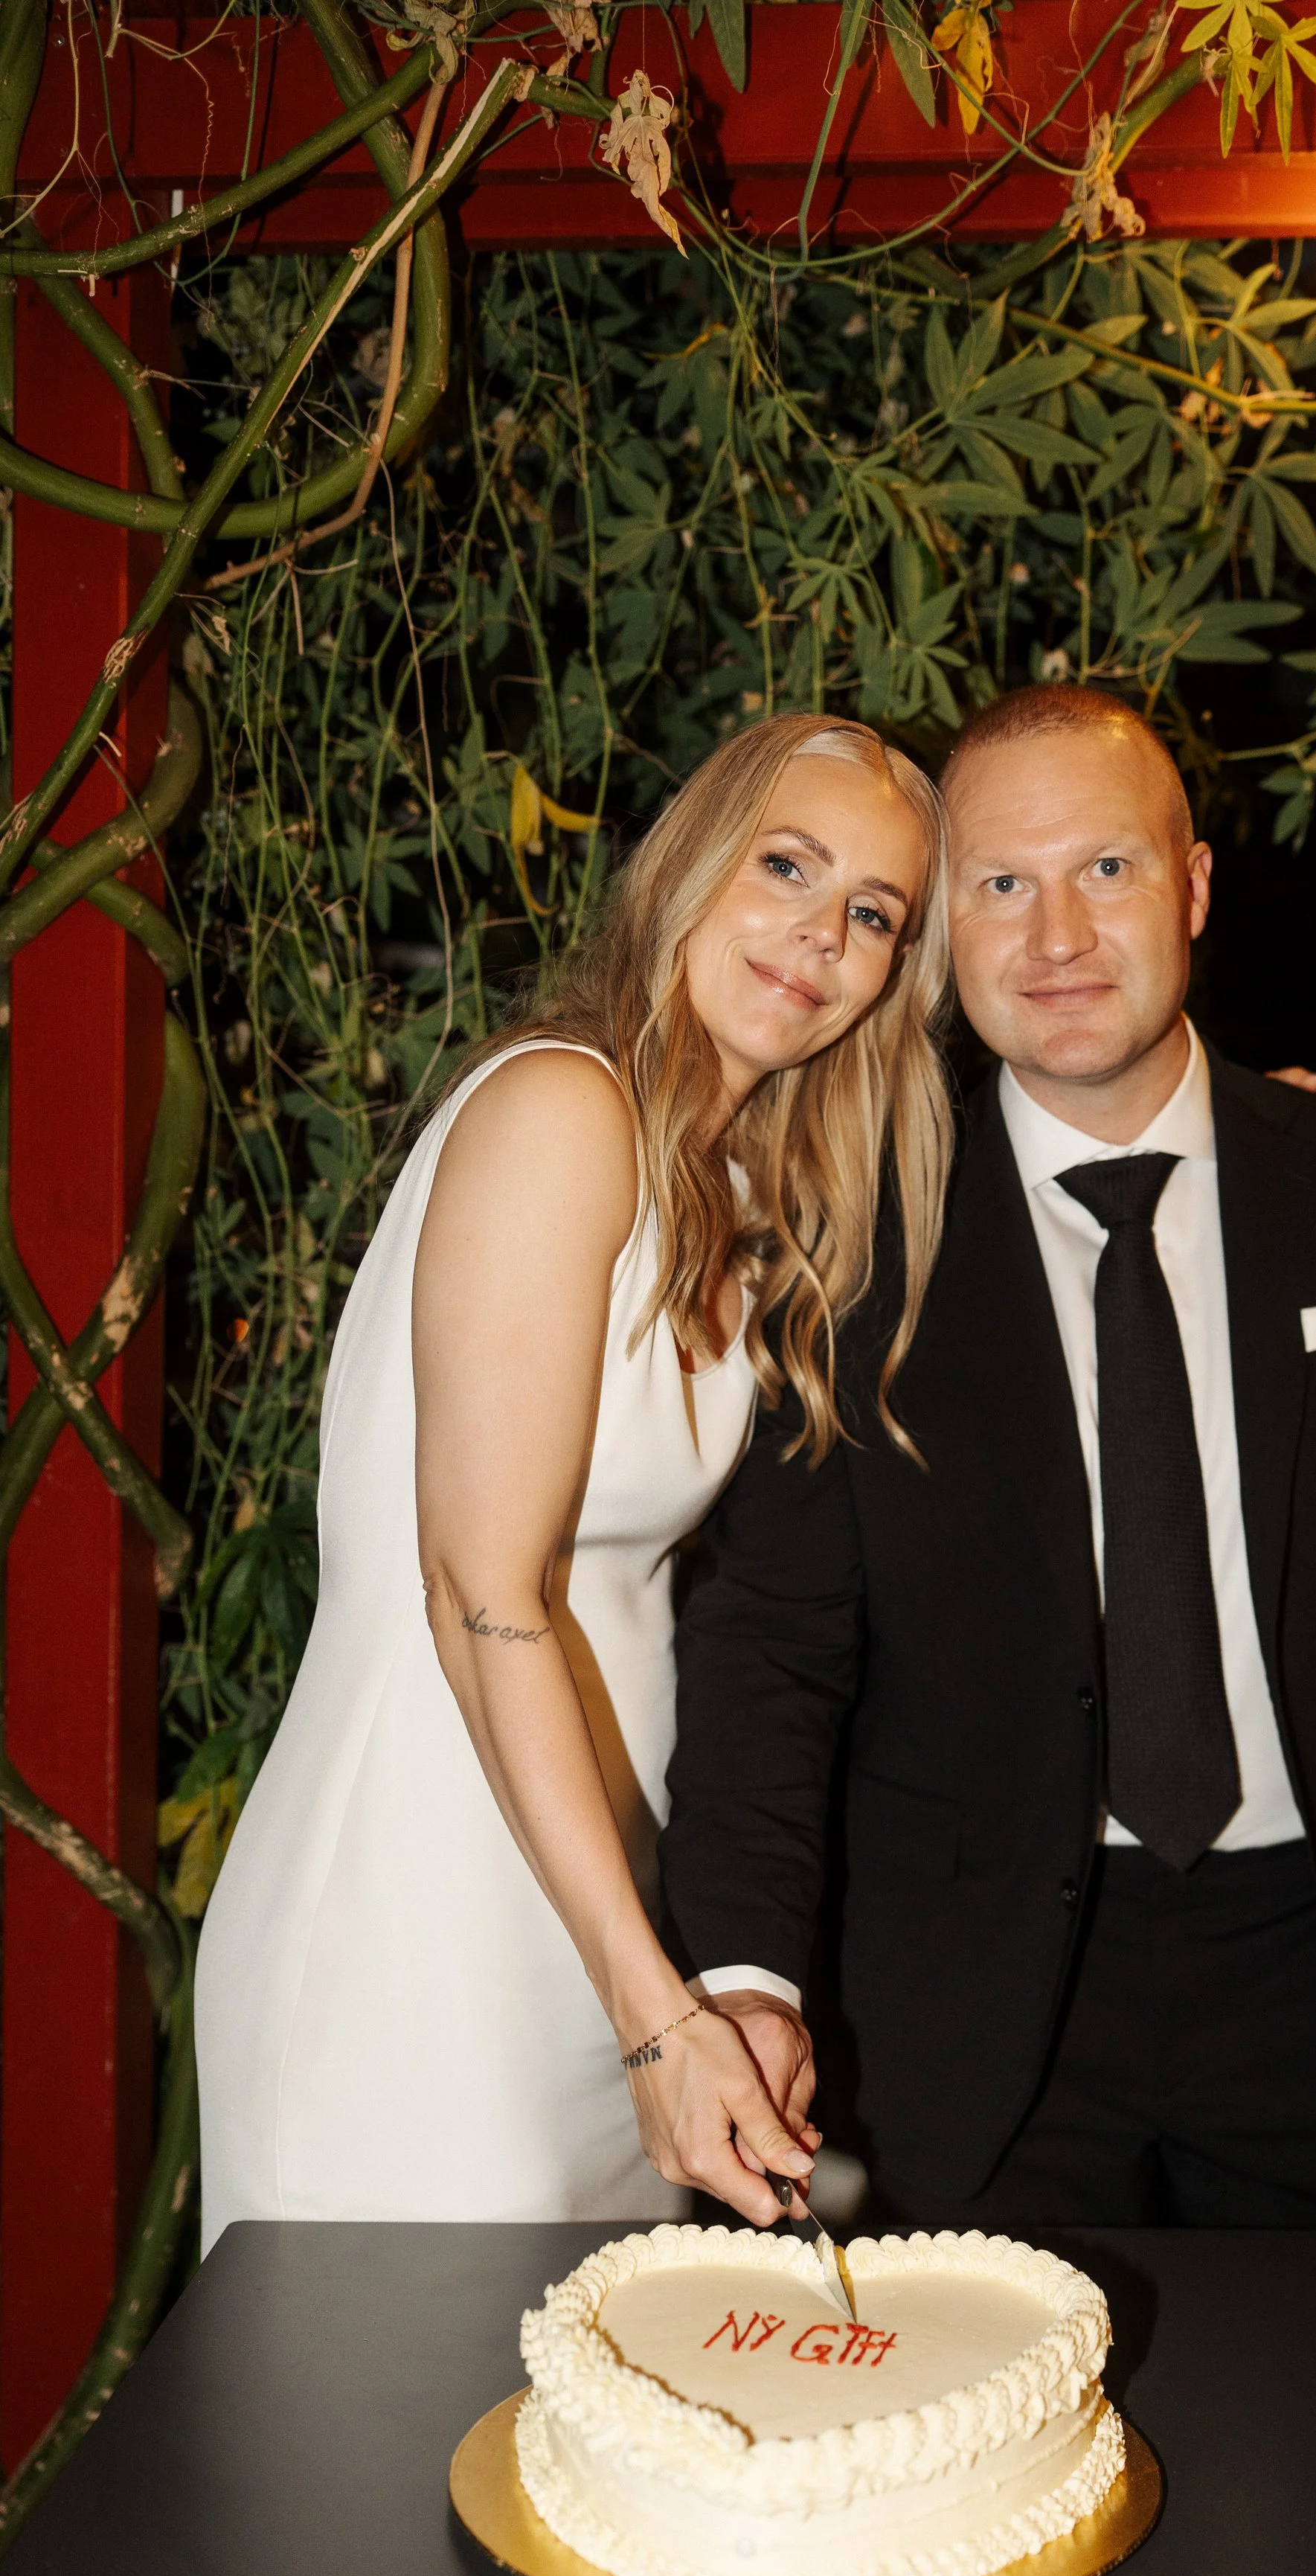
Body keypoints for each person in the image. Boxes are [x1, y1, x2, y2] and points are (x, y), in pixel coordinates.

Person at [659, 685, 1316, 2295]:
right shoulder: (849, 1242)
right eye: (996, 886)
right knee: (982, 2493)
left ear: (1193, 887)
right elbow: (771, 1656)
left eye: (1102, 869)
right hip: (966, 2001)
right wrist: (742, 1974)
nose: (1053, 938)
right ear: (940, 933)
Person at [195, 714, 955, 2248]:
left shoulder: (741, 1186)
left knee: (567, 2463)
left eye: (871, 914)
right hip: (419, 1911)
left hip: (591, 1920)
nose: (820, 936)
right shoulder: (561, 1108)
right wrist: (654, 2010)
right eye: (786, 866)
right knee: (381, 2454)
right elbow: (483, 1588)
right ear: (686, 868)